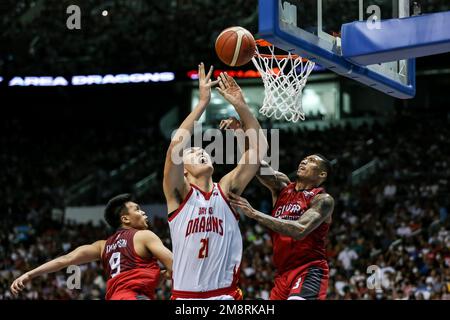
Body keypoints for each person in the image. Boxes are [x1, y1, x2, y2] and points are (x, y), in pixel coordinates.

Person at [163, 63, 267, 300]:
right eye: (193, 152)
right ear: (184, 171)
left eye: (203, 150)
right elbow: (174, 147)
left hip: (225, 296)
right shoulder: (178, 194)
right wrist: (202, 103)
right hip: (185, 298)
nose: (200, 152)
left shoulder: (227, 191)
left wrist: (241, 106)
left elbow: (260, 150)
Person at [223, 117, 334, 300]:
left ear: (322, 174)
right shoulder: (282, 185)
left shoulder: (323, 200)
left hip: (309, 269)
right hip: (282, 273)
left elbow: (300, 230)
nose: (304, 161)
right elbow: (255, 164)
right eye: (304, 159)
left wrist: (255, 214)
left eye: (311, 161)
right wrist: (238, 132)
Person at [10, 194, 173, 300]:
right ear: (125, 219)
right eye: (137, 209)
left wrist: (29, 274)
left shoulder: (102, 246)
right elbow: (177, 265)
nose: (143, 212)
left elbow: (66, 260)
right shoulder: (145, 235)